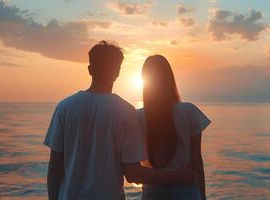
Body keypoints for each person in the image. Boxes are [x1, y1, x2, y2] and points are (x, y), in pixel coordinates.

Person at [44, 41, 196, 200]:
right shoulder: (125, 112)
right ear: (117, 72)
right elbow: (133, 173)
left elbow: (55, 168)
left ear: (90, 70)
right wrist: (180, 176)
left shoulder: (65, 107)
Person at [137, 55, 211, 200]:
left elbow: (134, 167)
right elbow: (196, 160)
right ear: (169, 79)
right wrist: (202, 196)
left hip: (153, 190)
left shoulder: (137, 117)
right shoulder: (189, 111)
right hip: (186, 189)